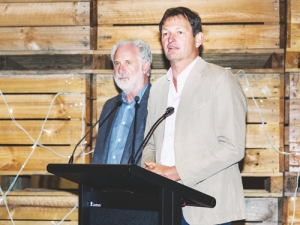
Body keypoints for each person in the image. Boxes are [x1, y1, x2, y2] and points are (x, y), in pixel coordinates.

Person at [141, 7, 247, 225]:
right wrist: (153, 171)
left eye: (179, 32)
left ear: (198, 39)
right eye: (165, 33)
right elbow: (149, 145)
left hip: (208, 209)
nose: (170, 38)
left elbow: (232, 147)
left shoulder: (220, 79)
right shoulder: (159, 88)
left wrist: (175, 172)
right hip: (166, 205)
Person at [92, 39, 152, 165]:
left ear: (145, 67)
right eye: (117, 63)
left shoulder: (157, 103)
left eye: (128, 63)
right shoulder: (110, 106)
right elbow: (98, 158)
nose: (120, 70)